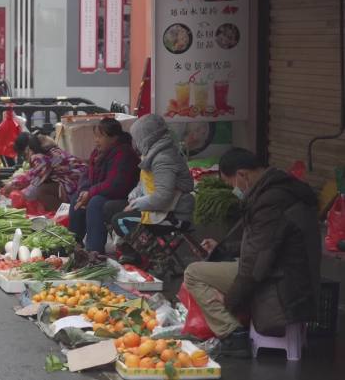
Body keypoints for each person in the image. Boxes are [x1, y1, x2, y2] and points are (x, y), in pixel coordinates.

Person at [184, 148, 321, 357]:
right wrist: (222, 248)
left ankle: (232, 334)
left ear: (242, 175)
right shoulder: (280, 190)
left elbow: (257, 262)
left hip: (282, 281)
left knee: (193, 273)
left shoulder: (270, 201)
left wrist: (231, 300)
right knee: (212, 267)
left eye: (230, 184)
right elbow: (262, 242)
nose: (233, 190)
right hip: (291, 272)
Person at [111, 114, 195, 264]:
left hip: (174, 215)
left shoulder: (163, 158)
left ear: (146, 136)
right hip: (161, 208)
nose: (134, 142)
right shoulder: (153, 154)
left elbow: (162, 197)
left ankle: (157, 258)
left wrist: (135, 204)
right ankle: (133, 254)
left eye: (136, 137)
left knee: (121, 220)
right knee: (109, 208)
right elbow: (143, 184)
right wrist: (134, 197)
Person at [68, 118, 140, 253]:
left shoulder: (124, 153)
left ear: (114, 138)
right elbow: (87, 175)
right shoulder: (98, 152)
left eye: (100, 136)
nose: (96, 140)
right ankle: (73, 243)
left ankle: (94, 251)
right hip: (102, 191)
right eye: (95, 136)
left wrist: (91, 193)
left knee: (95, 203)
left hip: (122, 196)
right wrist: (84, 191)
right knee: (77, 198)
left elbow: (115, 184)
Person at [3, 132, 87, 212]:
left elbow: (34, 180)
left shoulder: (39, 157)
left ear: (26, 150)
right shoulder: (47, 149)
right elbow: (33, 175)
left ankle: (66, 213)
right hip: (78, 178)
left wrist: (15, 188)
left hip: (77, 182)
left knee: (42, 191)